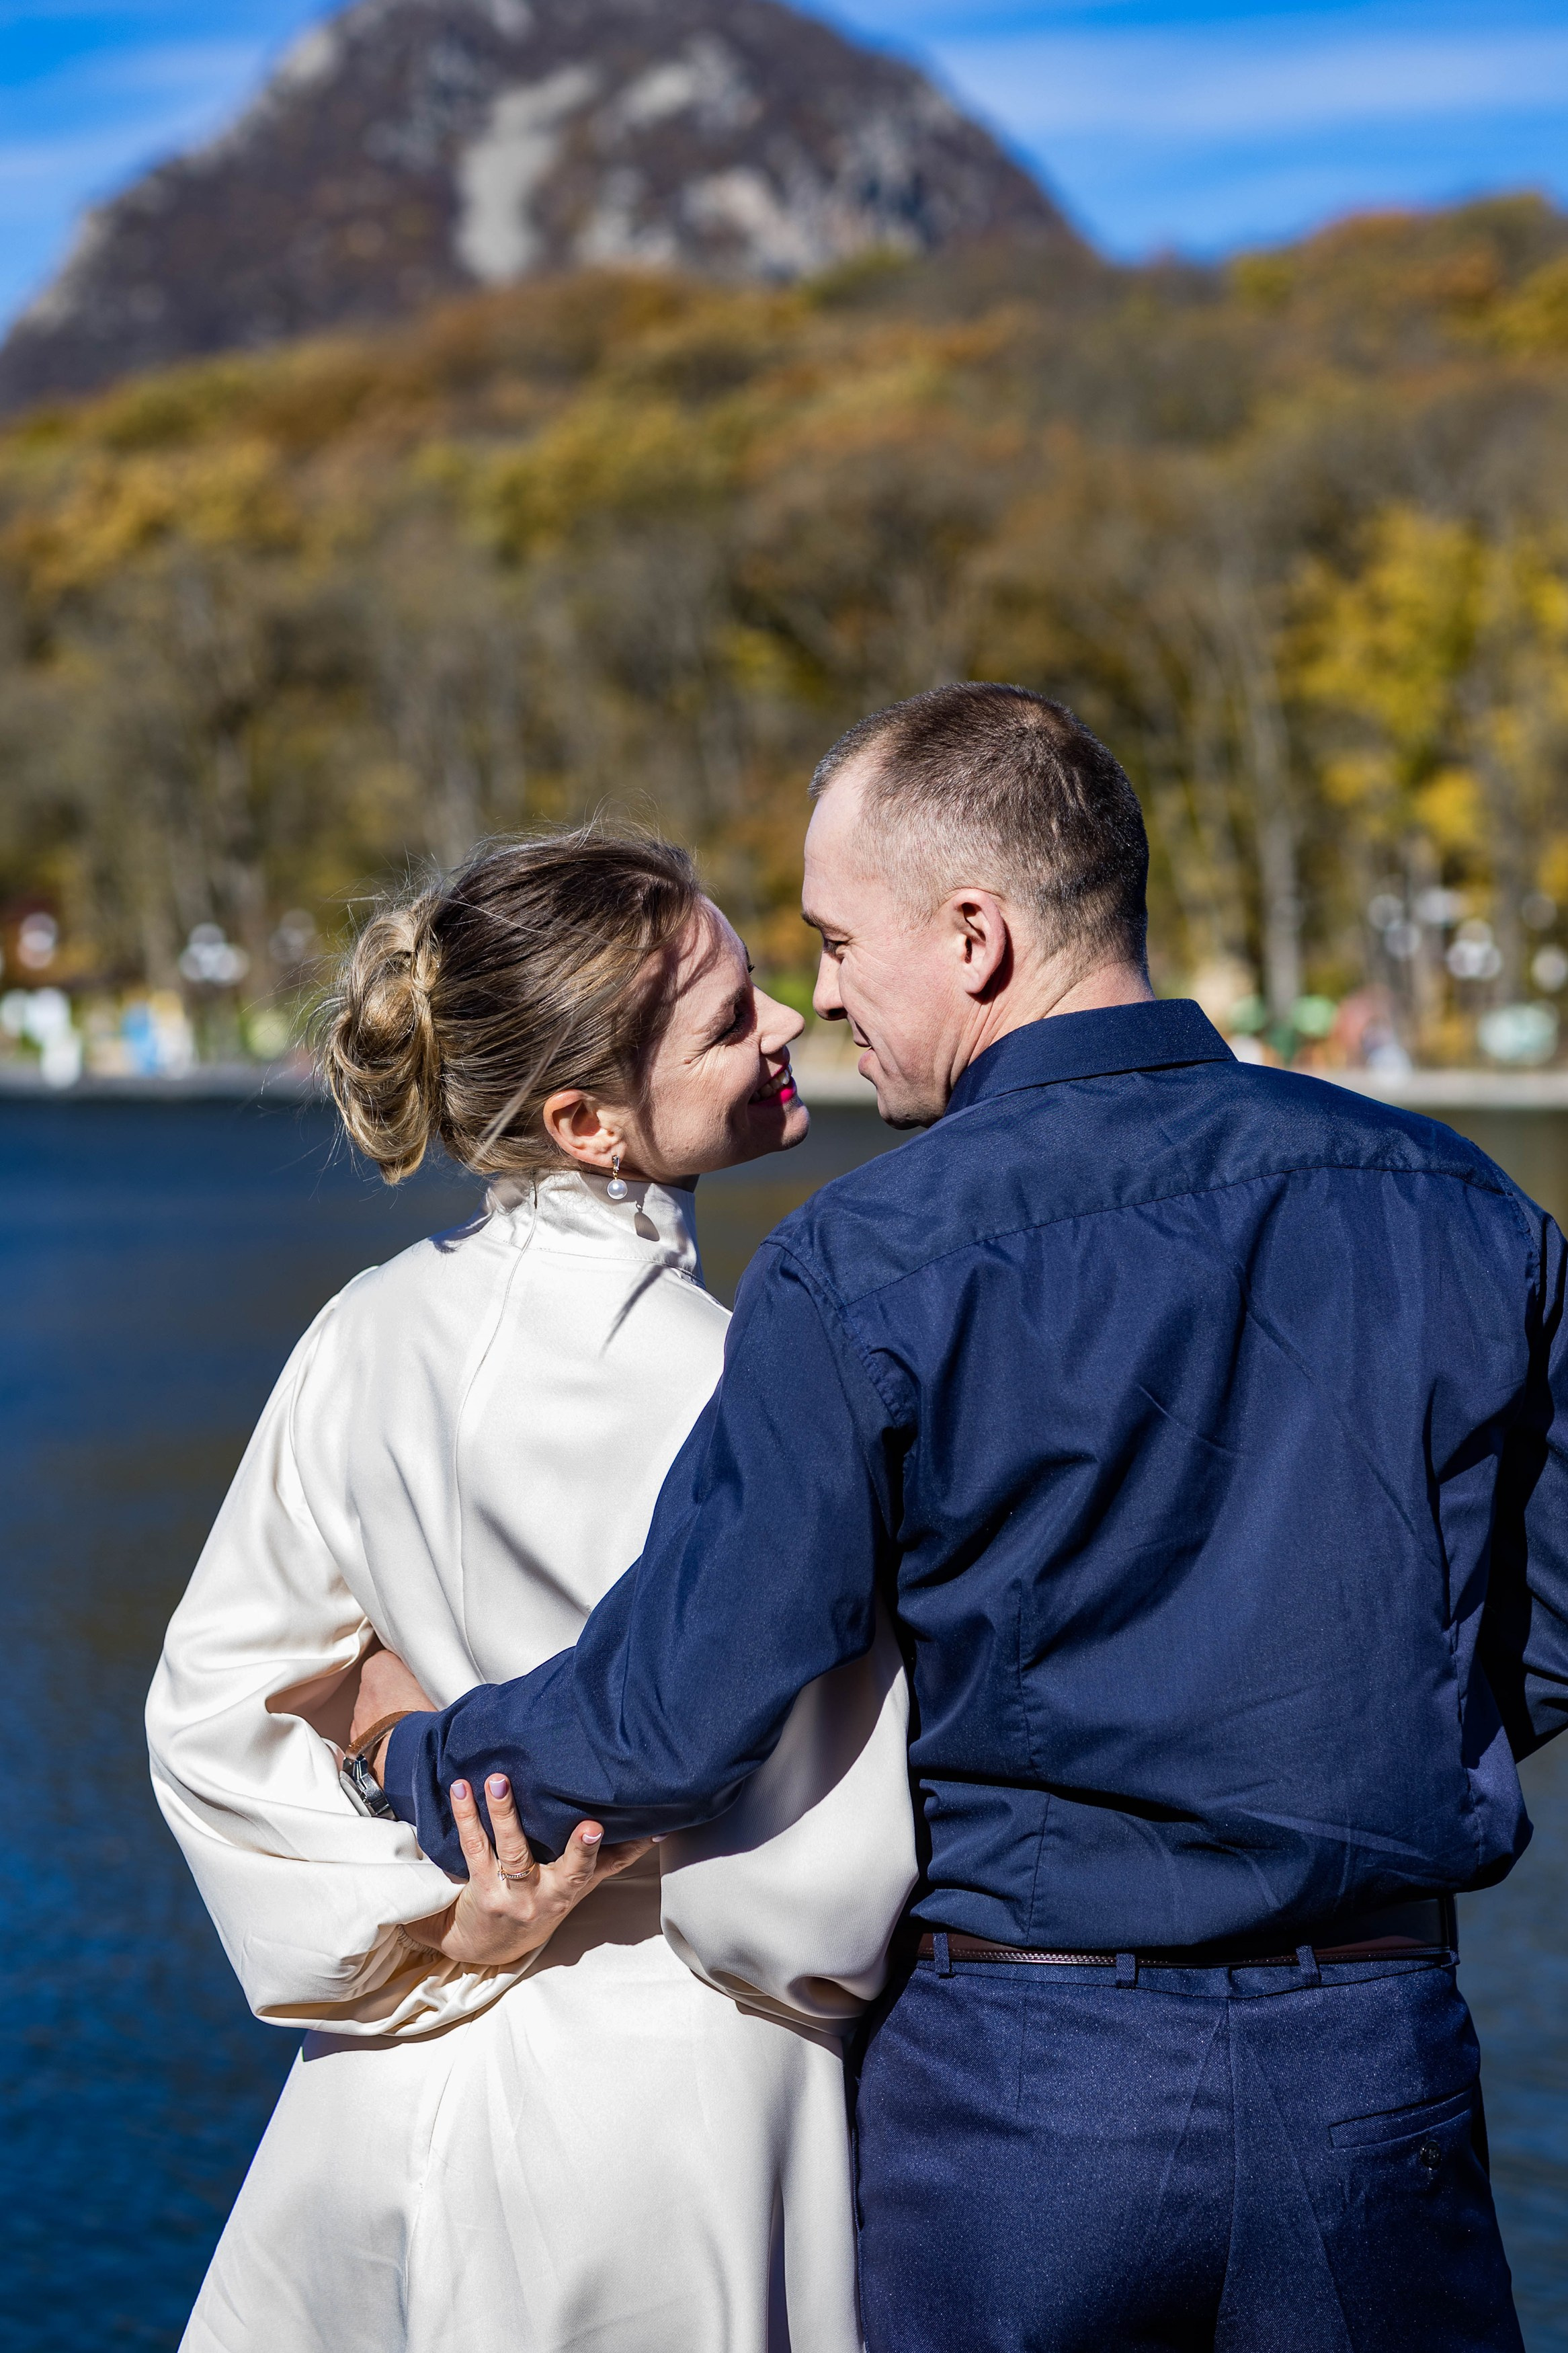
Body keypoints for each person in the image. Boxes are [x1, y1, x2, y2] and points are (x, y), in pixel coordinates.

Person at [374, 683, 1565, 2352]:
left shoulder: (863, 1262)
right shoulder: (1462, 1203)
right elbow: (1555, 1616)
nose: (822, 995)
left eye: (840, 940)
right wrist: (1373, 1746)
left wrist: (417, 1757)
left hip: (1025, 2096)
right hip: (1375, 2077)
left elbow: (677, 1708)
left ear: (979, 935)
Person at [145, 827, 916, 2353]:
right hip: (671, 2119)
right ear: (585, 1121)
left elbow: (205, 1713)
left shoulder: (365, 1335)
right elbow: (824, 1878)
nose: (783, 1027)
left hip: (374, 2118)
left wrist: (439, 1910)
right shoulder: (744, 1380)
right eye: (726, 1019)